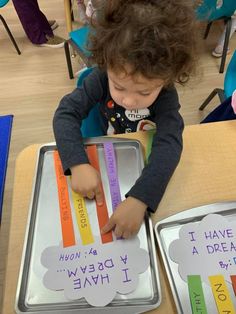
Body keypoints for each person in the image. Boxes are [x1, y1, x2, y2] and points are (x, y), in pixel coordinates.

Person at [53, 0, 197, 239]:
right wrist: (76, 163)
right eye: (119, 87)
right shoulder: (99, 79)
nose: (129, 101)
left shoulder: (166, 95)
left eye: (144, 92)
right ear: (106, 64)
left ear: (167, 78)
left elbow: (170, 144)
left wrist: (141, 198)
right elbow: (65, 114)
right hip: (110, 151)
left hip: (140, 157)